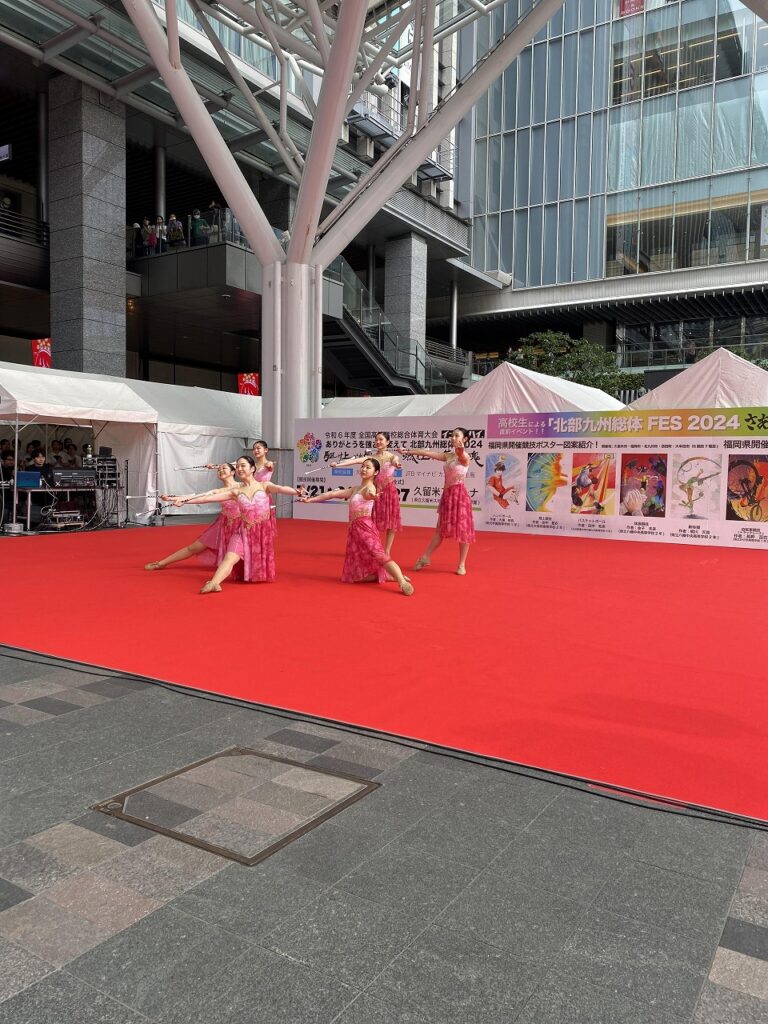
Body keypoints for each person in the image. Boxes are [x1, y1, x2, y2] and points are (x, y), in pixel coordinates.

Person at [170, 455, 303, 592]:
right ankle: (214, 583)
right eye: (238, 466)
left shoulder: (265, 486)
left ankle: (216, 582)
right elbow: (207, 499)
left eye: (243, 465)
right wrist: (184, 501)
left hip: (261, 533)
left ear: (252, 469)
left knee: (246, 559)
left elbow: (281, 488)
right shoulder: (235, 492)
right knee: (230, 557)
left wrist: (297, 492)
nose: (239, 469)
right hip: (242, 531)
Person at [300, 458, 413, 596]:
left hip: (365, 527)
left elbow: (369, 494)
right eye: (363, 466)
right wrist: (310, 499)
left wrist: (372, 496)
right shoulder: (355, 489)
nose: (364, 469)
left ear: (376, 472)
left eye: (368, 467)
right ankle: (387, 576)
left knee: (379, 555)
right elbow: (331, 494)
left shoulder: (370, 488)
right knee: (354, 577)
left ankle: (401, 581)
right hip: (354, 530)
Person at [398, 427, 476, 576]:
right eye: (452, 435)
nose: (453, 438)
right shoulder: (448, 456)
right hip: (447, 496)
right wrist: (407, 451)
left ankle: (461, 564)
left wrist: (461, 450)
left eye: (457, 435)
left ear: (465, 439)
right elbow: (426, 453)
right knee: (439, 530)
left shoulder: (464, 456)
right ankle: (425, 557)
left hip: (459, 496)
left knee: (464, 530)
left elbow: (462, 455)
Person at [145, 464, 241, 571]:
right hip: (224, 524)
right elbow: (200, 497)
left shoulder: (242, 486)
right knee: (194, 547)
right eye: (218, 470)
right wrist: (171, 498)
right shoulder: (217, 491)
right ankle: (161, 563)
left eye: (224, 468)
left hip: (242, 525)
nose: (220, 470)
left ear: (233, 472)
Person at [331, 431, 401, 556]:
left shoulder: (392, 456)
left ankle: (387, 551)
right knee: (371, 521)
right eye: (376, 439)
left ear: (387, 442)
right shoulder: (371, 459)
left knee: (391, 522)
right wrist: (338, 464)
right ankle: (374, 547)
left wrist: (397, 464)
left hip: (389, 492)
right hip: (373, 491)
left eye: (381, 439)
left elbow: (395, 461)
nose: (378, 442)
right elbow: (355, 461)